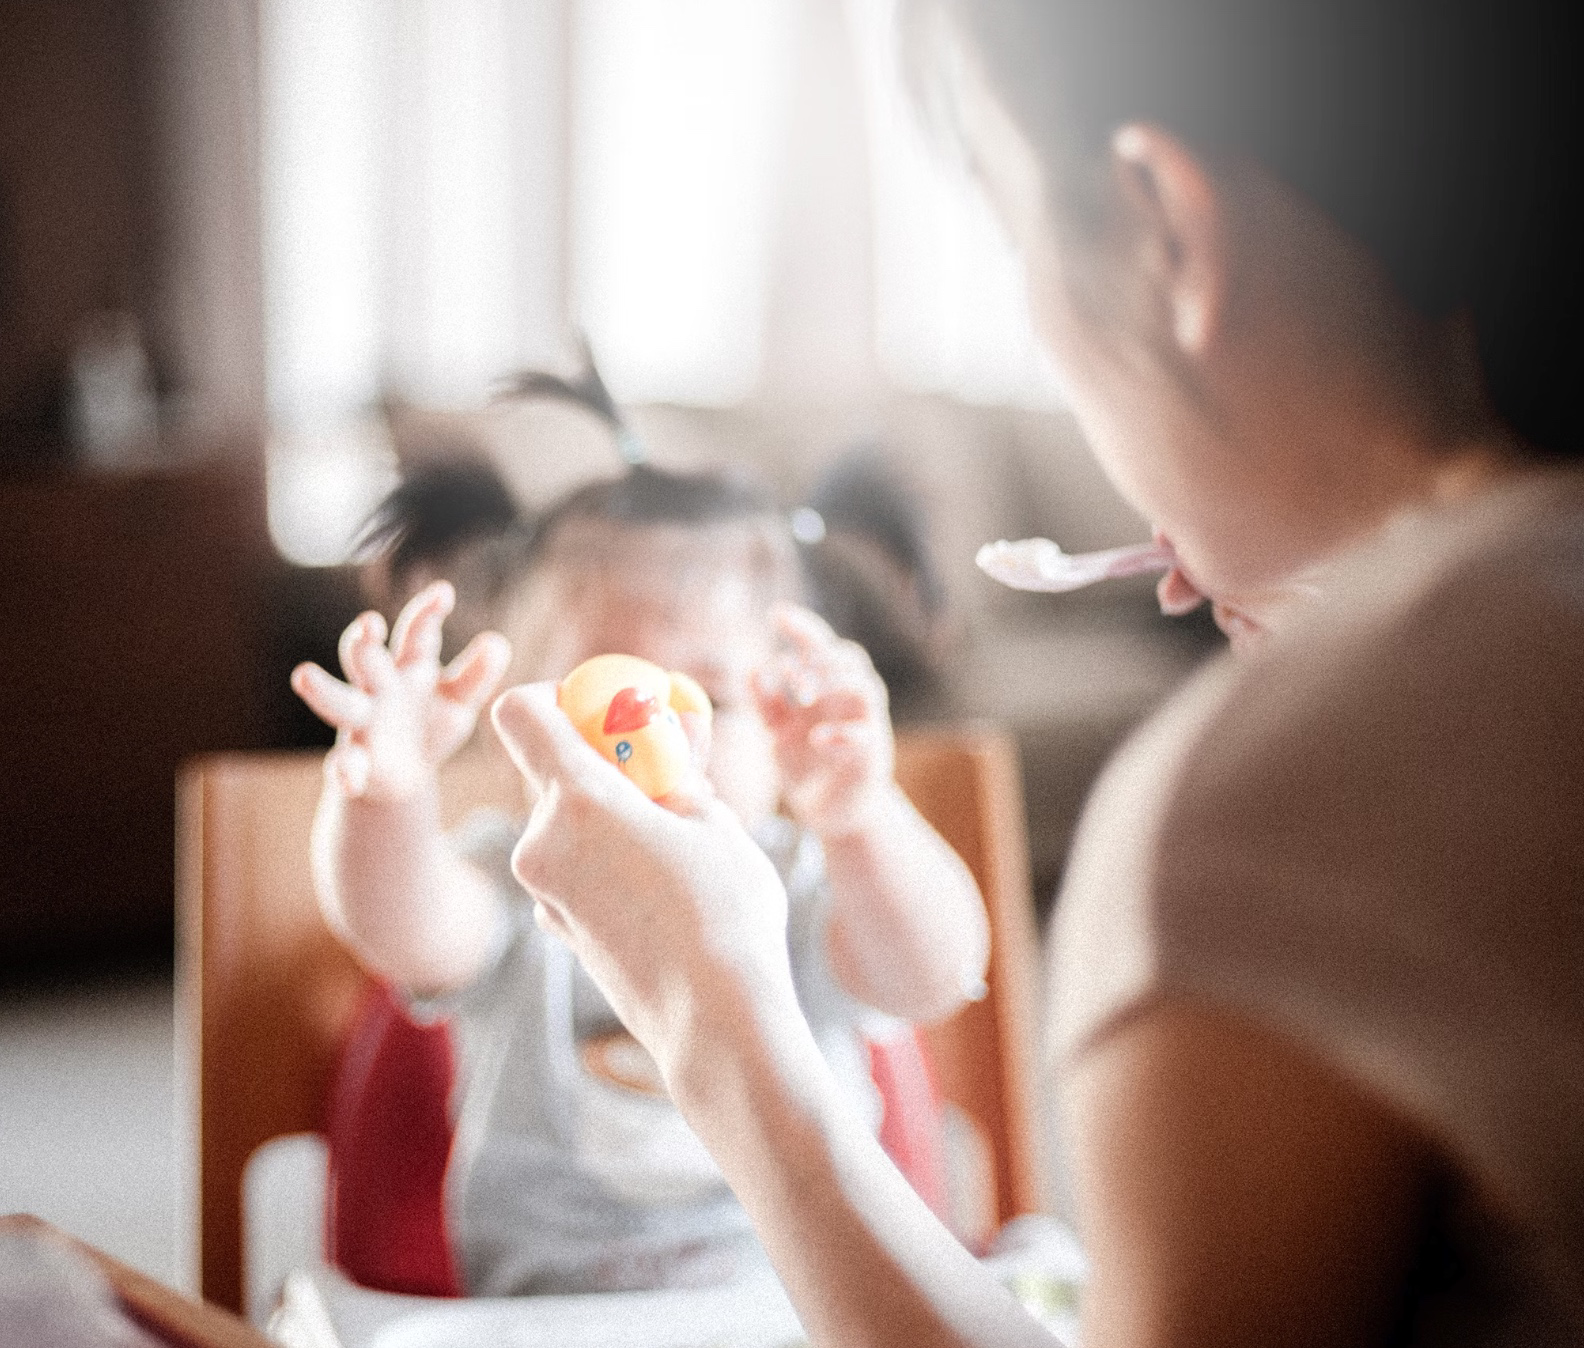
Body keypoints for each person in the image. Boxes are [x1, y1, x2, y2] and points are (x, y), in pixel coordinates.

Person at [481, 0, 1584, 1344]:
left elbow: (934, 955)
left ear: (1165, 227)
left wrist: (722, 1030)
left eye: (1012, 233)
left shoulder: (1254, 822)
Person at [290, 459, 990, 1296]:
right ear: (518, 716)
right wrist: (389, 795)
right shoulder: (523, 879)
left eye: (714, 700)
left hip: (804, 1307)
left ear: (780, 726)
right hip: (554, 1319)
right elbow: (397, 926)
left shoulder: (797, 891)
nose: (655, 740)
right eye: (606, 696)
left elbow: (936, 974)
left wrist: (860, 814)